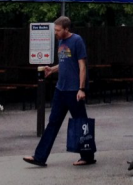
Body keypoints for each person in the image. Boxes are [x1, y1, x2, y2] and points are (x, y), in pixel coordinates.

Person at [23, 16, 95, 167]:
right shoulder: (61, 41)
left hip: (74, 90)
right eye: (55, 30)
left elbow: (82, 66)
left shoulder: (77, 41)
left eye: (57, 30)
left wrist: (81, 89)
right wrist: (52, 69)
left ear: (66, 29)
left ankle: (87, 156)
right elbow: (65, 63)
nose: (55, 33)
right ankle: (39, 157)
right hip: (60, 89)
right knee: (53, 123)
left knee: (81, 123)